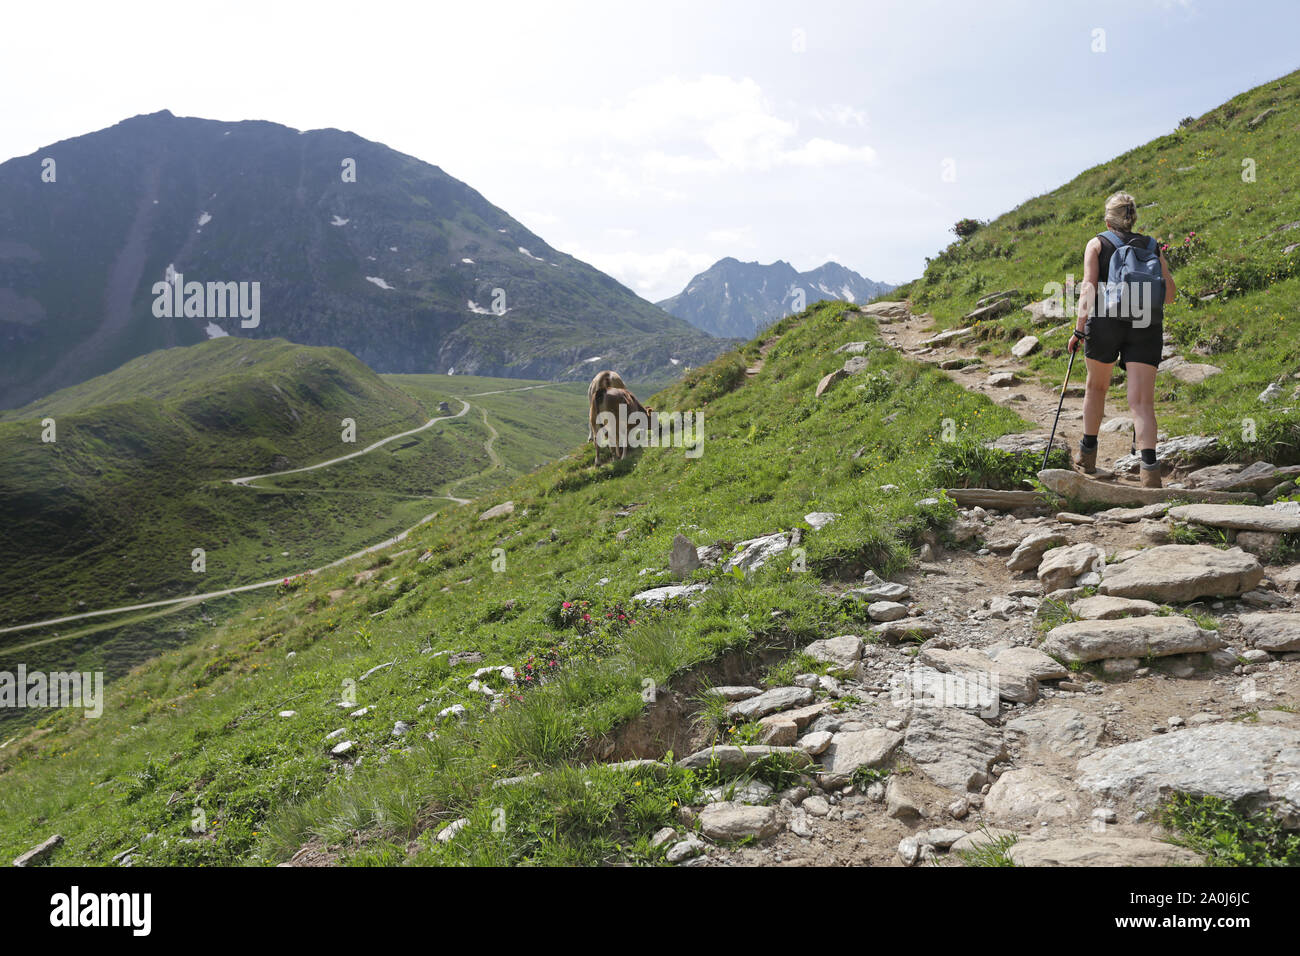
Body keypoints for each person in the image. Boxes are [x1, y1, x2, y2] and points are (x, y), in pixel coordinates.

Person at [1069, 191, 1177, 488]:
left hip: (1104, 322)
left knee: (1096, 386)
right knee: (1142, 403)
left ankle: (1087, 456)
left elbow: (1088, 288)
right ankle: (1150, 472)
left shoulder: (1097, 243)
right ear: (1133, 218)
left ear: (1108, 218)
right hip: (1146, 325)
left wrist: (1079, 329)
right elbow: (1169, 293)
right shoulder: (1153, 246)